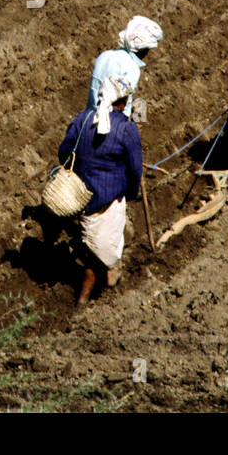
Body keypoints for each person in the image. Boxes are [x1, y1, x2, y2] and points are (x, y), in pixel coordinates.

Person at [59, 75, 144, 306]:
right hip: (109, 198)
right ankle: (84, 297)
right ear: (123, 101)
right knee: (97, 256)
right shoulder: (127, 129)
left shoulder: (82, 119)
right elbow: (136, 169)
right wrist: (132, 192)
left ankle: (105, 275)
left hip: (81, 198)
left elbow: (64, 152)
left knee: (92, 241)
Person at [87, 15, 163, 117]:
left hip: (88, 117)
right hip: (107, 124)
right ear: (143, 49)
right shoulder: (132, 69)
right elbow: (124, 107)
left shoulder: (105, 55)